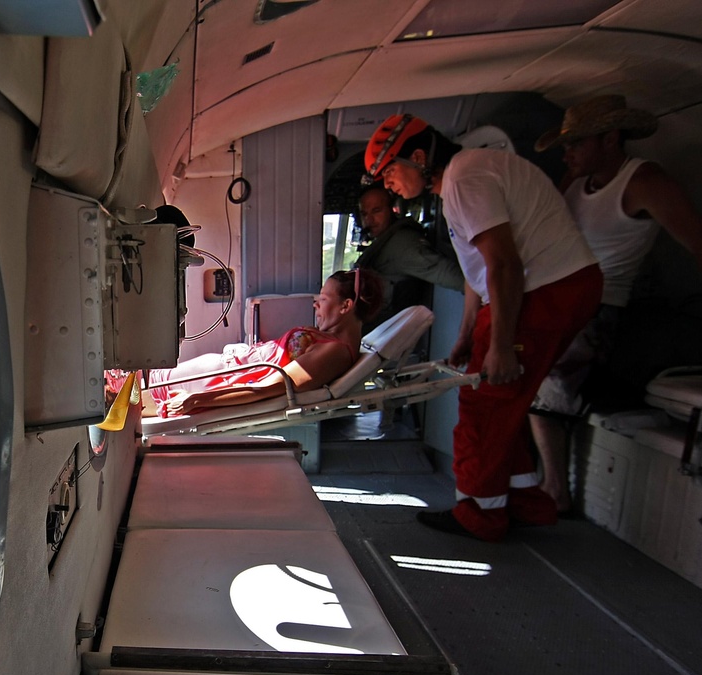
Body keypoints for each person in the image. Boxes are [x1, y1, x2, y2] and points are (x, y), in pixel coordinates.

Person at [365, 113, 602, 541]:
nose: (389, 184)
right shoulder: (461, 180)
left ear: (418, 157)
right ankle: (521, 502)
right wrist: (467, 335)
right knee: (502, 405)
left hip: (544, 291)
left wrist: (502, 345)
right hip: (545, 289)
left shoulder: (465, 179)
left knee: (486, 406)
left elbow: (504, 264)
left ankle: (479, 515)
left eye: (390, 172)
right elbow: (478, 275)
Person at [528, 95, 702, 513]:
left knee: (546, 394)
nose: (567, 153)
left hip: (599, 309)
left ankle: (555, 490)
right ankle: (536, 484)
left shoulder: (644, 181)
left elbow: (697, 242)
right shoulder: (575, 182)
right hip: (559, 301)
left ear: (609, 139)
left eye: (577, 143)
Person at [139, 268, 384, 417]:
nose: (315, 304)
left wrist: (195, 399)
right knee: (134, 385)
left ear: (346, 306)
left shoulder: (336, 352)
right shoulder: (331, 342)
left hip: (214, 381)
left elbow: (269, 387)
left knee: (133, 395)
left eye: (323, 299)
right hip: (220, 371)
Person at [354, 185, 463, 328]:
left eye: (376, 211)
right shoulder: (384, 242)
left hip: (390, 332)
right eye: (364, 214)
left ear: (393, 210)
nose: (369, 220)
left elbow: (454, 277)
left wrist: (485, 291)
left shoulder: (403, 245)